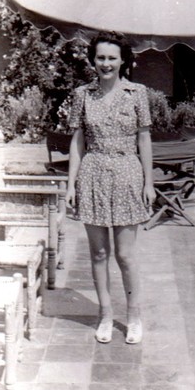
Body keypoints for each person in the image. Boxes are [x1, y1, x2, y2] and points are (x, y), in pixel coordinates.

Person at [65, 31, 156, 344]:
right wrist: (71, 184)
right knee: (99, 252)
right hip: (92, 174)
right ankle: (105, 315)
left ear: (122, 61)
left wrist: (149, 182)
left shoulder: (137, 93)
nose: (106, 63)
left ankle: (134, 316)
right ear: (93, 60)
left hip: (127, 173)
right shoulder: (82, 95)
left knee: (125, 255)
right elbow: (77, 141)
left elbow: (144, 138)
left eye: (111, 58)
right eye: (100, 57)